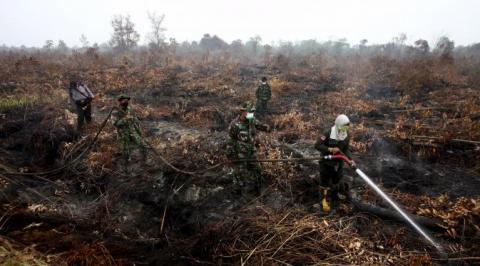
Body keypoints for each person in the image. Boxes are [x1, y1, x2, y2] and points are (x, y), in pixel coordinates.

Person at [225, 102, 270, 194]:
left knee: (257, 169)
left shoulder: (251, 119)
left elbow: (259, 125)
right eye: (250, 112)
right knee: (238, 173)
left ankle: (257, 190)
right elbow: (231, 141)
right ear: (243, 112)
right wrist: (229, 156)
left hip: (251, 151)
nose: (251, 114)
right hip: (239, 154)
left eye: (252, 112)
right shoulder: (234, 125)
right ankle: (237, 192)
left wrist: (266, 128)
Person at [314, 114, 356, 213]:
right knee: (325, 181)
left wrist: (351, 159)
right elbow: (317, 145)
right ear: (337, 125)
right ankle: (324, 200)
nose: (344, 129)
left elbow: (346, 150)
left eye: (346, 127)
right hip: (326, 162)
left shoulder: (346, 136)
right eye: (342, 127)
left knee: (337, 180)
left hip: (338, 163)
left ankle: (334, 196)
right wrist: (329, 149)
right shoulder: (328, 133)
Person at [113, 94, 147, 164]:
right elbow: (115, 123)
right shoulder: (115, 111)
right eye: (124, 100)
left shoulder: (130, 109)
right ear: (120, 101)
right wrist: (125, 119)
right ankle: (126, 165)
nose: (126, 101)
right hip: (123, 133)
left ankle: (144, 161)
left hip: (133, 131)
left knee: (143, 145)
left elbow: (135, 120)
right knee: (125, 150)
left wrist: (139, 129)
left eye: (127, 100)